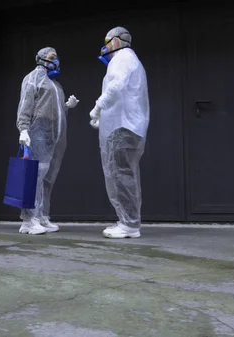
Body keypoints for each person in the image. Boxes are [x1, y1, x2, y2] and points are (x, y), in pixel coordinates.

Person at [89, 27, 150, 239]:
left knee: (121, 174)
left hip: (123, 126)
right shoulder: (131, 59)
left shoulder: (122, 58)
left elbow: (116, 87)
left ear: (116, 41)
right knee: (123, 173)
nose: (105, 46)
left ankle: (129, 224)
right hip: (127, 125)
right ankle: (128, 220)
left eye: (107, 41)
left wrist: (98, 107)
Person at [16, 47, 79, 235]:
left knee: (47, 178)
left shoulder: (55, 85)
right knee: (35, 175)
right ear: (41, 59)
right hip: (37, 133)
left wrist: (67, 106)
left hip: (54, 137)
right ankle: (29, 220)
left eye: (57, 57)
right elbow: (25, 105)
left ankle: (42, 216)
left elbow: (55, 112)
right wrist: (23, 129)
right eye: (52, 57)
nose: (56, 61)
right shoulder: (32, 79)